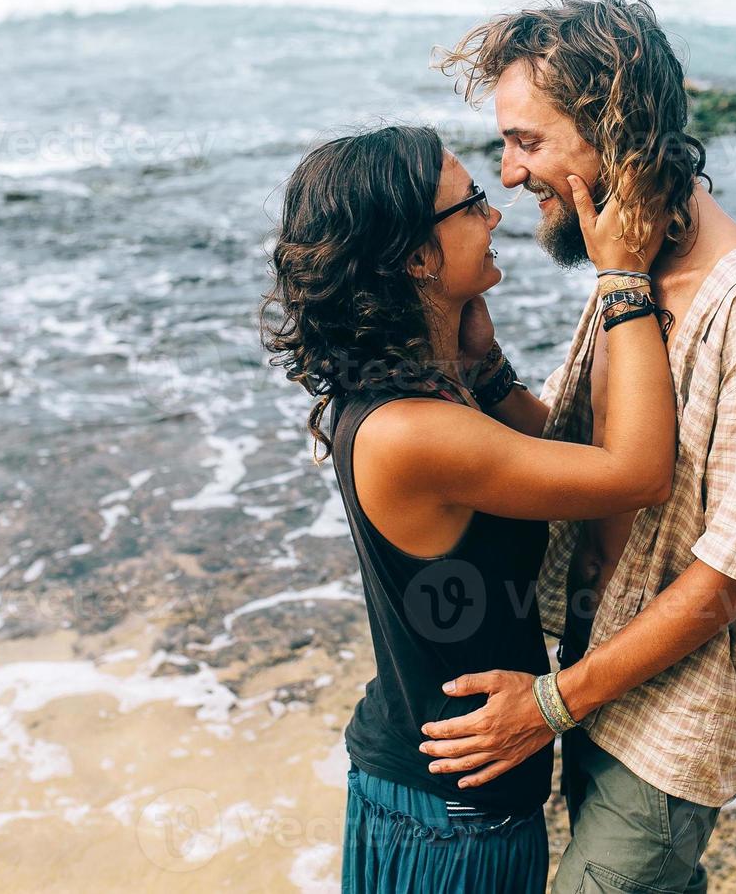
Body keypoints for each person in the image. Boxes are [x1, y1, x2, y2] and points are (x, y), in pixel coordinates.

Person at [421, 0, 736, 892]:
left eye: (528, 143)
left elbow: (728, 578)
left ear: (615, 138)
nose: (512, 174)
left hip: (664, 724)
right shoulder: (626, 266)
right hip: (590, 678)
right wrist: (484, 367)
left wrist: (545, 707)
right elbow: (585, 463)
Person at [261, 123, 676, 893]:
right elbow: (638, 474)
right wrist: (623, 278)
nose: (495, 216)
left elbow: (559, 458)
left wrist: (482, 363)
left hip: (448, 790)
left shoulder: (427, 393)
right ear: (417, 256)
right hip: (446, 815)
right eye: (472, 203)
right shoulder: (415, 431)